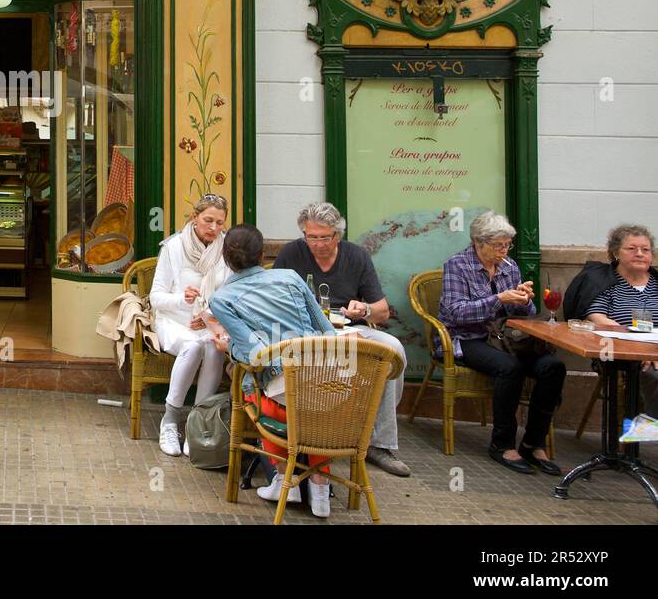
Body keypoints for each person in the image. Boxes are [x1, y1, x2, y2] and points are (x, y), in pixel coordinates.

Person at [272, 202, 412, 477]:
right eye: (311, 237)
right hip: (305, 331)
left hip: (348, 329)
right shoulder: (292, 253)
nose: (318, 244)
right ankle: (304, 434)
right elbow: (273, 295)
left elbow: (382, 310)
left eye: (325, 237)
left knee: (393, 349)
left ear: (338, 234)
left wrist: (365, 309)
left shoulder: (356, 256)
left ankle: (379, 443)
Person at [209, 224, 338, 519]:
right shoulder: (290, 277)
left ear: (227, 258)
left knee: (249, 386)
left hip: (285, 390)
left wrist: (227, 347)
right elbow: (326, 330)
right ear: (262, 253)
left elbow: (256, 357)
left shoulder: (222, 298)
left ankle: (284, 480)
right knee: (312, 407)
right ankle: (320, 490)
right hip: (331, 385)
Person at [440, 211, 565, 475]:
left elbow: (525, 317)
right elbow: (456, 313)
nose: (503, 251)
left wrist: (524, 300)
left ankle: (533, 443)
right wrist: (499, 300)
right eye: (498, 245)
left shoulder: (510, 267)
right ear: (478, 242)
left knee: (553, 367)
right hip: (470, 337)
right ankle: (503, 444)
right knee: (510, 368)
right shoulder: (457, 265)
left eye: (507, 245)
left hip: (507, 338)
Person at [147, 194, 231, 456]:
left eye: (219, 222)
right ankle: (170, 420)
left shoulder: (226, 250)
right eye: (208, 220)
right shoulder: (173, 247)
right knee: (194, 346)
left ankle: (198, 423)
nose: (214, 228)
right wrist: (183, 301)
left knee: (213, 347)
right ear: (195, 217)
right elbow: (156, 297)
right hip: (173, 320)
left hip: (208, 322)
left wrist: (208, 314)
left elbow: (230, 292)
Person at [571, 224, 658, 418]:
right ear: (615, 253)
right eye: (631, 248)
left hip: (656, 350)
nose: (640, 253)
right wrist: (639, 348)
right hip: (617, 352)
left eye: (645, 249)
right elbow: (596, 317)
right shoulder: (605, 281)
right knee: (652, 374)